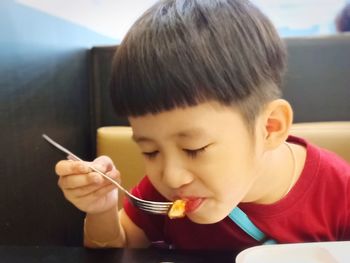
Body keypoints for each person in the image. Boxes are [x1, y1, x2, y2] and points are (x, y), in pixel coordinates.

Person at [55, 0, 350, 251]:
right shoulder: (164, 192)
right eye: (150, 151)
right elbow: (118, 247)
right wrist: (103, 209)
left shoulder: (338, 191)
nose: (171, 176)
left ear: (269, 127)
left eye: (194, 148)